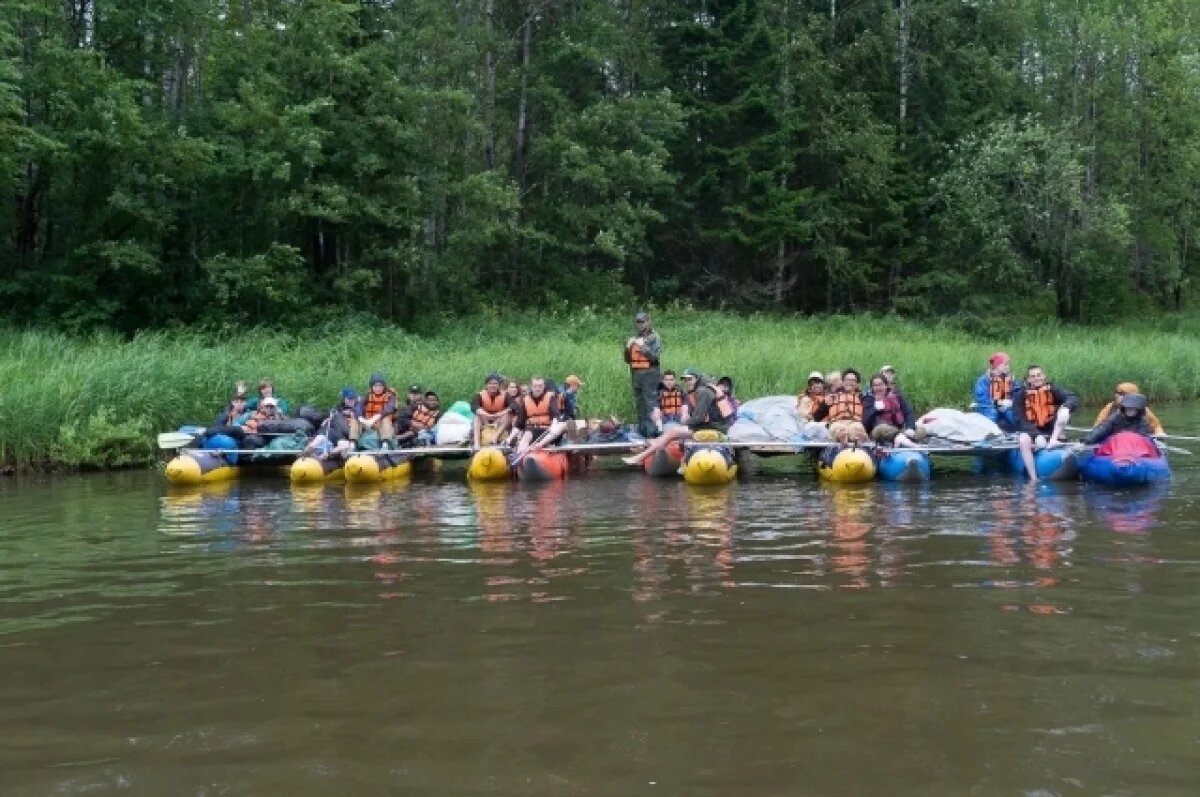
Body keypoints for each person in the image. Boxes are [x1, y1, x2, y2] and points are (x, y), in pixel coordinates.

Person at [621, 369, 735, 466]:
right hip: (712, 425)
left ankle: (640, 457)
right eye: (685, 380)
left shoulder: (702, 392)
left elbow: (698, 418)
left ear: (697, 379)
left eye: (690, 379)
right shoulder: (700, 390)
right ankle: (678, 461)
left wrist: (685, 423)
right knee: (673, 434)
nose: (687, 382)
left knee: (673, 432)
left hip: (717, 428)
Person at [1011, 364, 1079, 482]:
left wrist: (1067, 406)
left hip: (1051, 430)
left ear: (1044, 376)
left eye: (1039, 375)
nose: (1037, 378)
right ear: (1028, 379)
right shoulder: (1020, 395)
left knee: (1064, 412)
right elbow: (1020, 420)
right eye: (1033, 376)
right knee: (1023, 440)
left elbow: (1072, 397)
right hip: (1031, 430)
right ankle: (1033, 478)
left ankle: (1055, 441)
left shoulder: (1052, 390)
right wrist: (1036, 435)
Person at [624, 311, 663, 437]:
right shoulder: (633, 339)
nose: (640, 324)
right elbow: (627, 360)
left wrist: (643, 348)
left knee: (650, 402)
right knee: (639, 402)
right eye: (638, 322)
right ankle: (643, 429)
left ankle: (653, 431)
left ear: (648, 322)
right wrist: (627, 347)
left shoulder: (655, 337)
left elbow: (655, 357)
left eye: (642, 321)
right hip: (636, 375)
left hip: (650, 374)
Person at [862, 373, 919, 448]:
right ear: (872, 387)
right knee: (882, 428)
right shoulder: (868, 399)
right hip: (877, 430)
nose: (878, 388)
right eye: (875, 385)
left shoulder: (897, 396)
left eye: (880, 385)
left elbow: (908, 412)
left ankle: (902, 440)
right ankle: (909, 443)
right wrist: (875, 410)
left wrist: (910, 427)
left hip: (898, 428)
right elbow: (865, 422)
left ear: (886, 385)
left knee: (921, 430)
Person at [514, 377, 567, 454]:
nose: (537, 389)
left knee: (562, 425)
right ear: (531, 387)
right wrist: (509, 438)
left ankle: (540, 445)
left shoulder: (550, 397)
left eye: (540, 386)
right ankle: (520, 454)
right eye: (535, 386)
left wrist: (554, 425)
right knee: (527, 434)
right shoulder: (526, 400)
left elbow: (555, 414)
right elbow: (519, 424)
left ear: (544, 387)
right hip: (533, 430)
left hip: (549, 431)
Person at [814, 368, 868, 444]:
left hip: (855, 422)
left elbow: (868, 416)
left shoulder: (864, 398)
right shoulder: (833, 396)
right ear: (842, 382)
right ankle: (842, 437)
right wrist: (825, 404)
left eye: (853, 380)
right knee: (838, 429)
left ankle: (857, 437)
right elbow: (816, 417)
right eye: (847, 380)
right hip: (837, 422)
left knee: (856, 428)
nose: (849, 382)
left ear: (857, 384)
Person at [305, 388, 361, 459]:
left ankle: (327, 454)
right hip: (331, 432)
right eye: (349, 399)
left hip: (343, 435)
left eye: (353, 398)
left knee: (345, 445)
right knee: (320, 438)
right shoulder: (337, 409)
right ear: (344, 399)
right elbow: (323, 423)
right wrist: (328, 419)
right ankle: (307, 452)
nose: (351, 400)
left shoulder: (358, 410)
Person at [1093, 382, 1165, 436]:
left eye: (1121, 393)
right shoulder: (1109, 407)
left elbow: (1156, 426)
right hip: (1113, 442)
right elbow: (1098, 425)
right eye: (1117, 392)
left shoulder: (1143, 410)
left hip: (1136, 442)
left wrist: (1159, 433)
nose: (1117, 395)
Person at [1081, 393, 1154, 446]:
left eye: (1133, 409)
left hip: (1133, 448)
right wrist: (1087, 440)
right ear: (1123, 408)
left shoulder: (1143, 422)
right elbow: (1102, 429)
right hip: (1115, 448)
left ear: (1139, 410)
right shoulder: (1115, 418)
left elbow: (1143, 439)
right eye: (1127, 408)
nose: (1129, 410)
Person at [973, 352, 1017, 430]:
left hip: (1006, 407)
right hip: (988, 407)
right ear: (997, 365)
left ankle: (1019, 433)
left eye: (1008, 364)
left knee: (1012, 415)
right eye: (1005, 364)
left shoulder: (1011, 379)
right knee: (992, 414)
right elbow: (981, 399)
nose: (1008, 367)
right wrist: (998, 403)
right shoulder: (984, 380)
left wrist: (1011, 402)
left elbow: (1017, 393)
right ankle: (986, 433)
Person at [471, 373, 512, 448]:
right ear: (486, 385)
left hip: (499, 420)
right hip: (485, 419)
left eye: (495, 383)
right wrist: (487, 415)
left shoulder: (506, 395)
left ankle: (494, 438)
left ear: (498, 385)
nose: (493, 386)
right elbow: (474, 407)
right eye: (490, 383)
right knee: (477, 416)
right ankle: (476, 443)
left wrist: (501, 413)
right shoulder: (479, 395)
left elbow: (513, 406)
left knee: (508, 414)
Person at [359, 372, 398, 447]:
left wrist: (375, 418)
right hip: (369, 424)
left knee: (385, 418)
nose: (378, 388)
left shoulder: (391, 395)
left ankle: (385, 444)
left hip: (385, 425)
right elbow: (358, 407)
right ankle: (352, 444)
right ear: (372, 387)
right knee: (355, 418)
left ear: (384, 386)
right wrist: (362, 419)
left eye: (380, 385)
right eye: (375, 386)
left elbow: (390, 409)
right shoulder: (367, 395)